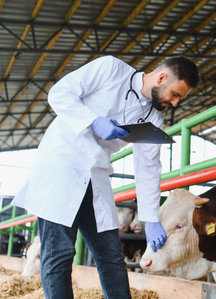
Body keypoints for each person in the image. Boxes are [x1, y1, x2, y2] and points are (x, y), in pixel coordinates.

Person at [12, 55, 199, 299]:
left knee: (111, 256)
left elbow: (148, 167)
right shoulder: (111, 69)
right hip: (62, 166)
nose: (174, 103)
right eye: (175, 94)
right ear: (161, 77)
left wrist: (151, 217)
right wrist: (93, 121)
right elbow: (59, 93)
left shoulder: (154, 118)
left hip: (97, 176)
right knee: (59, 254)